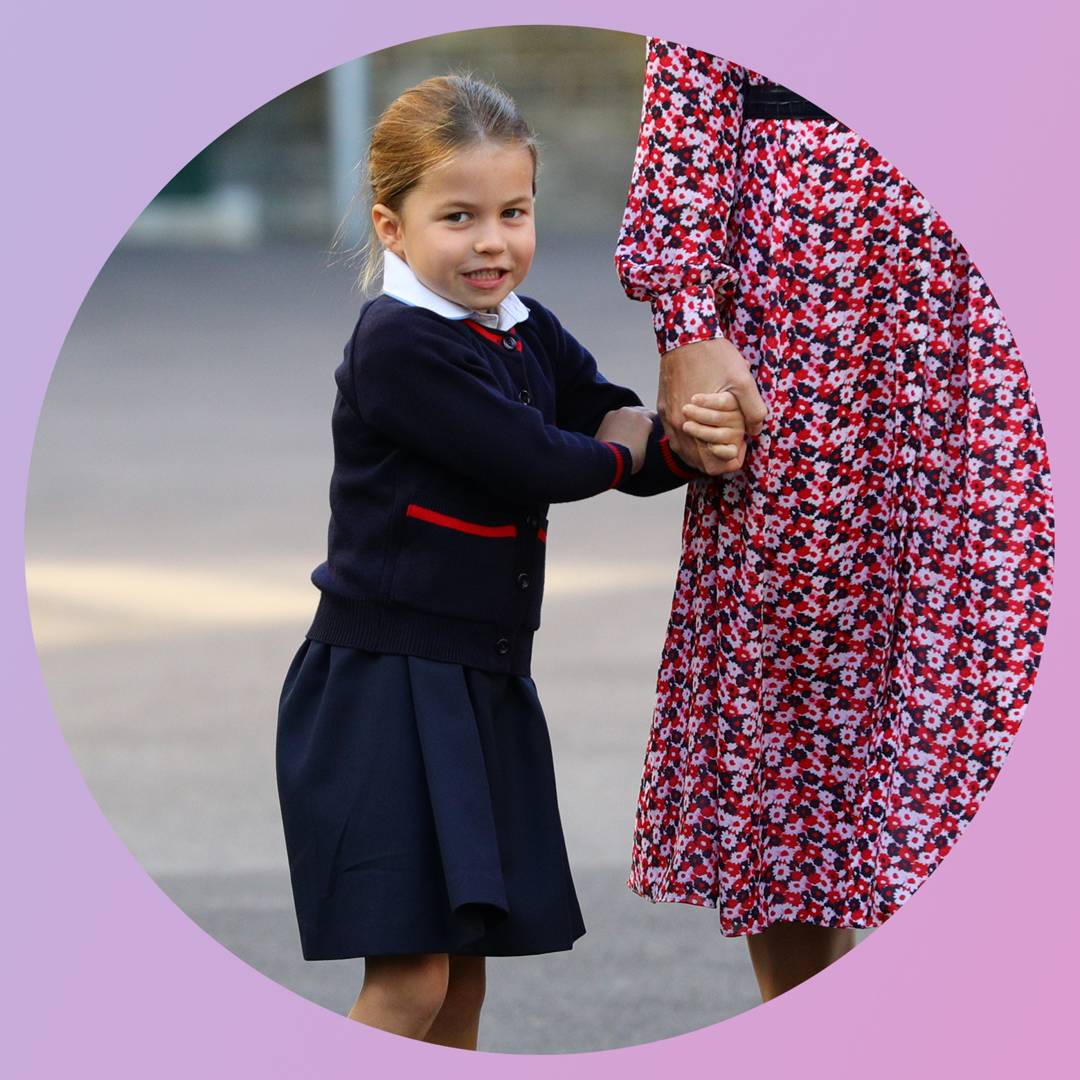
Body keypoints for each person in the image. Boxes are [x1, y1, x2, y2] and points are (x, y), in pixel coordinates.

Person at [276, 74, 742, 1050]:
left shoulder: (521, 328)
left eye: (513, 212)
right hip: (385, 687)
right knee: (409, 983)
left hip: (479, 681)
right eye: (459, 216)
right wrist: (625, 446)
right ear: (392, 228)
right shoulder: (398, 345)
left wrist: (685, 439)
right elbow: (540, 455)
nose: (493, 241)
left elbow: (605, 409)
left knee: (461, 985)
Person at [615, 38, 1054, 1001]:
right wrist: (687, 322)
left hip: (999, 290)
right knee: (800, 674)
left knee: (998, 658)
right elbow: (690, 67)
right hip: (800, 296)